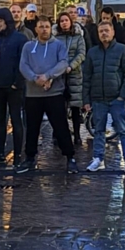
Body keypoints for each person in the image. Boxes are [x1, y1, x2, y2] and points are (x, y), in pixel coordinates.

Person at [18, 15, 78, 174]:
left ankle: (70, 157)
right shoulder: (28, 47)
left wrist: (49, 76)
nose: (44, 29)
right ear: (36, 29)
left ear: (50, 28)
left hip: (54, 93)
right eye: (41, 26)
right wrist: (34, 78)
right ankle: (30, 158)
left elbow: (63, 63)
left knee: (61, 127)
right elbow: (23, 65)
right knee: (32, 128)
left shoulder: (58, 45)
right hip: (33, 94)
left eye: (47, 26)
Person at [82, 20, 125, 173]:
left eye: (106, 30)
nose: (104, 34)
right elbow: (87, 77)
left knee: (123, 129)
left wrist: (123, 95)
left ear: (112, 32)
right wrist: (86, 99)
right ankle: (98, 158)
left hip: (116, 97)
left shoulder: (123, 50)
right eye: (101, 31)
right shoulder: (92, 52)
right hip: (98, 98)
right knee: (98, 130)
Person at [0, 7, 27, 166]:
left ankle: (17, 154)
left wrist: (18, 83)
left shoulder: (20, 39)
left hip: (14, 86)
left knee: (16, 120)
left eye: (0, 21)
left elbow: (23, 62)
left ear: (7, 21)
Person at [53, 12, 87, 146]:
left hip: (74, 74)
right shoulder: (55, 38)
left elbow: (81, 54)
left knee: (75, 107)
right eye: (61, 21)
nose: (64, 23)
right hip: (59, 75)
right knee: (58, 107)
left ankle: (77, 135)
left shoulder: (78, 37)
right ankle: (57, 134)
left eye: (66, 20)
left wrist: (71, 66)